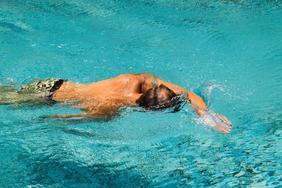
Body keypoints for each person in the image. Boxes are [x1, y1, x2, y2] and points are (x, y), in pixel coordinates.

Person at [0, 73, 232, 133]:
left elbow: (188, 93)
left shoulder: (138, 80)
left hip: (53, 82)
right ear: (149, 111)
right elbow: (70, 118)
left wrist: (205, 113)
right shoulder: (111, 109)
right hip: (45, 99)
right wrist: (50, 119)